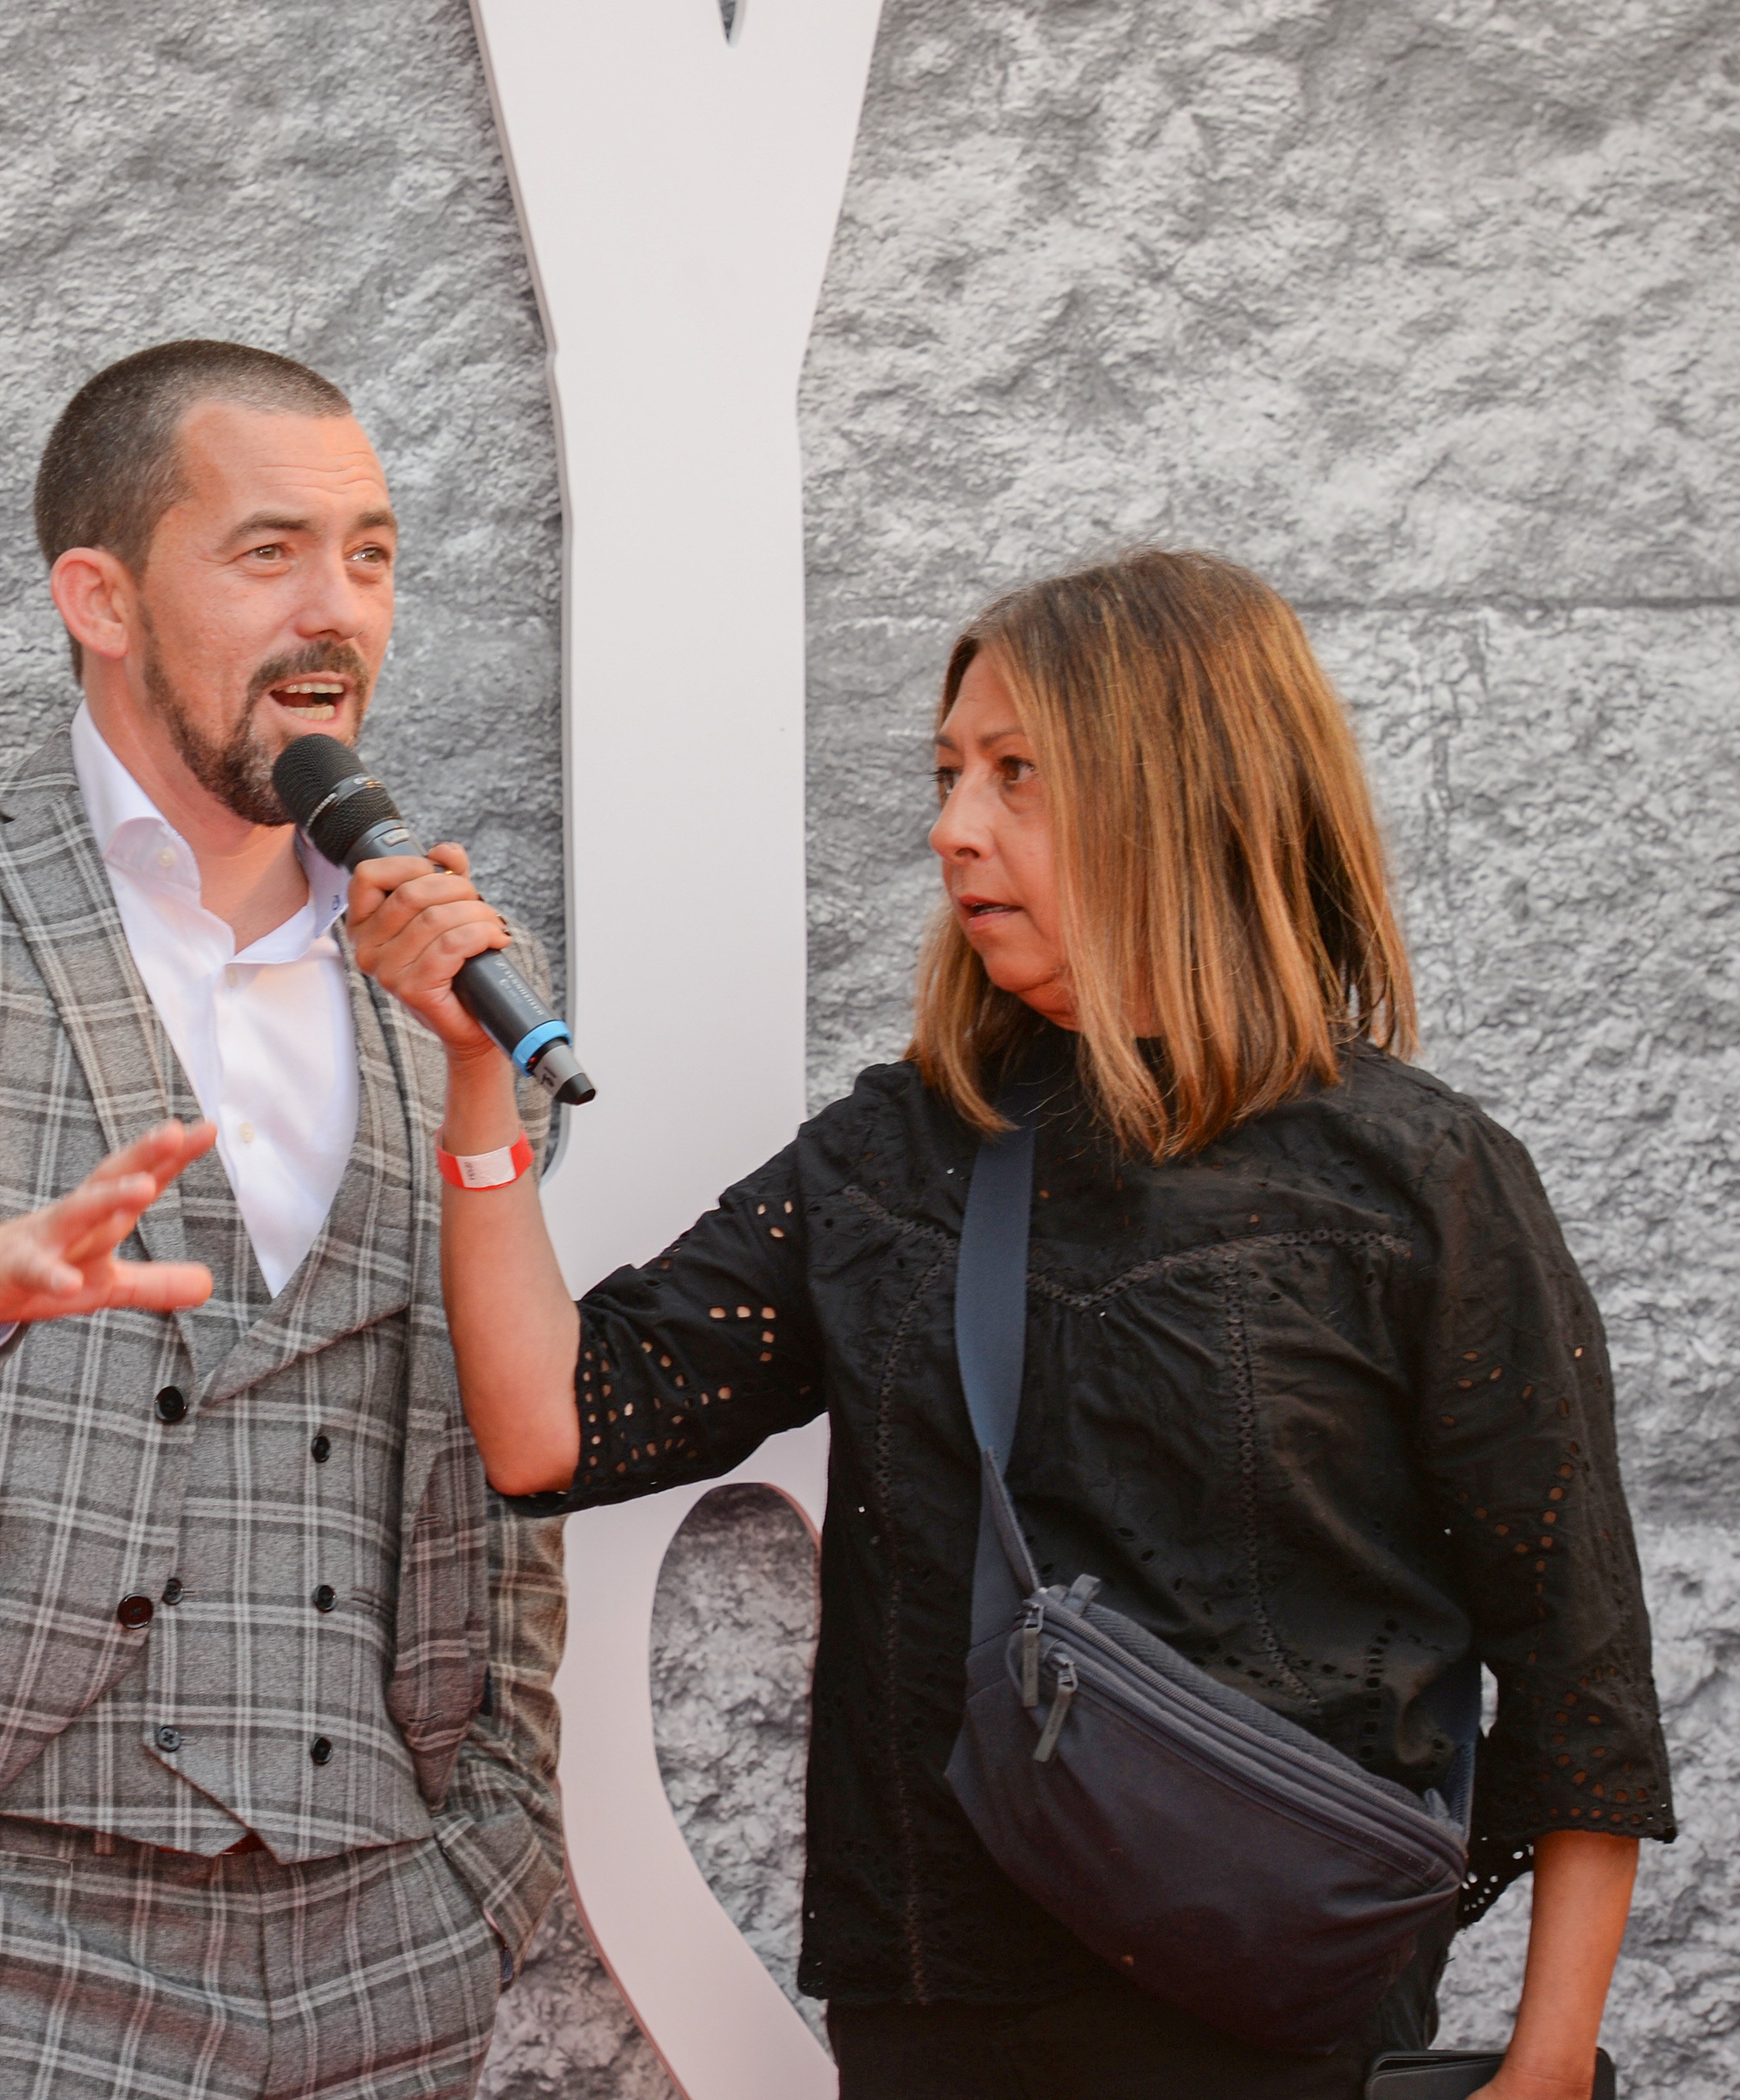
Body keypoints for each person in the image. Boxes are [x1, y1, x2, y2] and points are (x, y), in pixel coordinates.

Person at [352, 548, 1671, 2100]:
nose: (951, 826)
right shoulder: (902, 1154)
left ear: (1183, 795)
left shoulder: (1417, 1178)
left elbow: (1577, 1658)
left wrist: (1547, 2060)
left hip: (1283, 2022)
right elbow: (555, 1423)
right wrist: (475, 1081)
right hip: (943, 2016)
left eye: (1015, 774)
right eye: (948, 774)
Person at [0, 340, 565, 2100]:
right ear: (102, 597)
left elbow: (496, 1434)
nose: (335, 607)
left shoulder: (442, 974)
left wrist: (494, 1851)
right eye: (269, 551)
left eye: (370, 554)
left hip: (392, 1923)